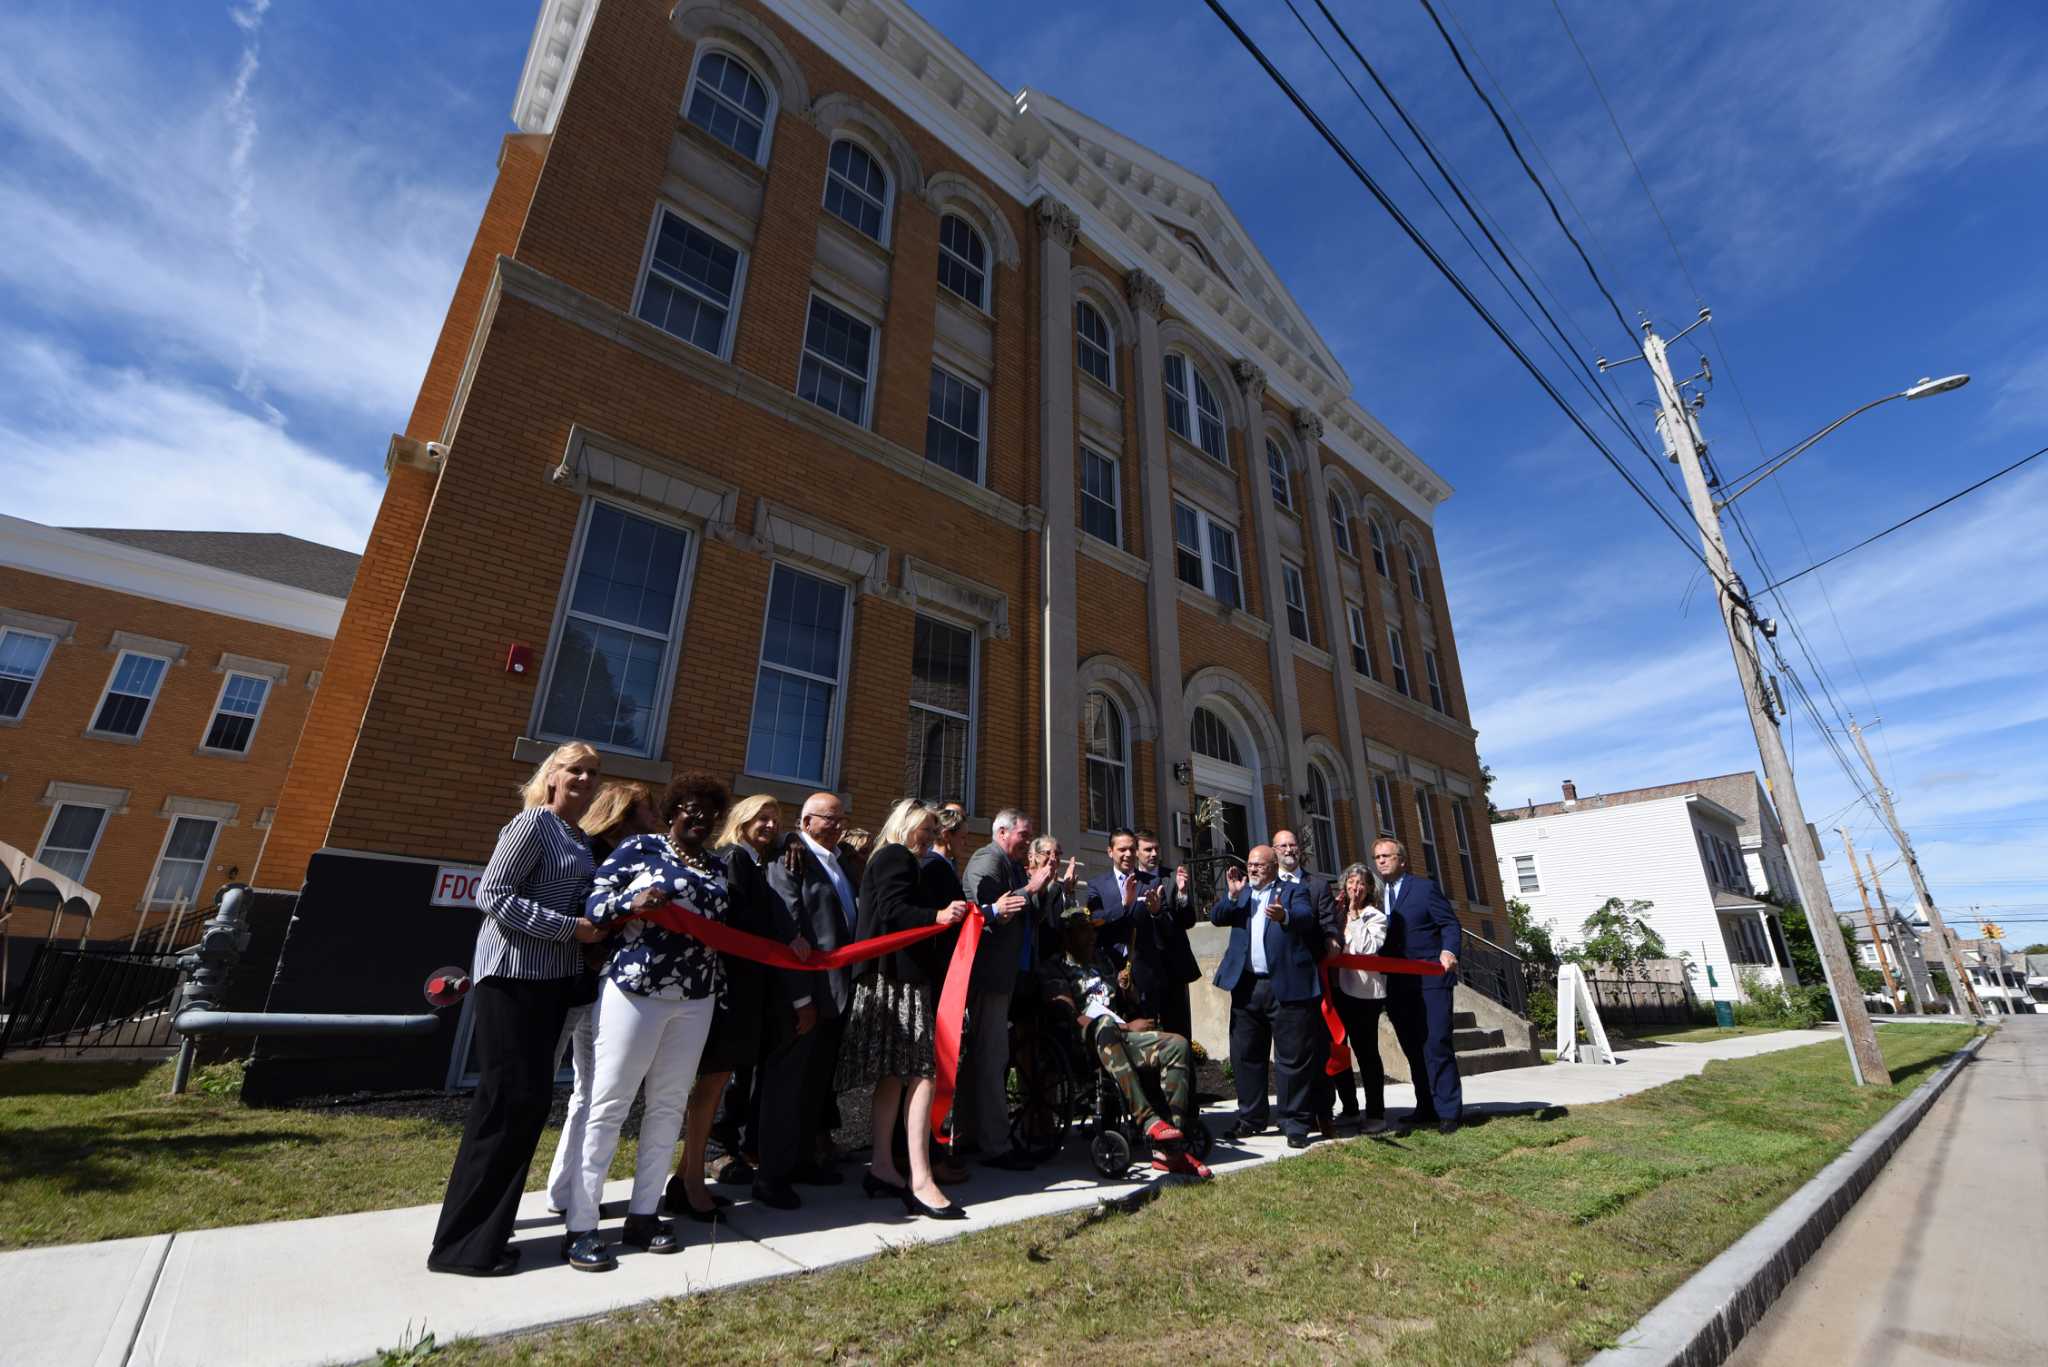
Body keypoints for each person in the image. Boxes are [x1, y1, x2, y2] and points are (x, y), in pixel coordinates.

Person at [428, 741, 607, 1277]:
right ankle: (462, 1248)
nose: (583, 778)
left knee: (527, 1107)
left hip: (552, 982)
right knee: (506, 1103)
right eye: (573, 769)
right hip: (510, 976)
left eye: (592, 773)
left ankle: (490, 1235)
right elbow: (494, 894)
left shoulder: (579, 838)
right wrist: (568, 929)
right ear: (551, 774)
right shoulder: (532, 823)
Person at [566, 773, 732, 1272]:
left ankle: (644, 1214)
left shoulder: (718, 867)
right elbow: (593, 905)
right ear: (674, 807)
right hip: (636, 990)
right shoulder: (640, 848)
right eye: (692, 808)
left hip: (695, 998)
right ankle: (581, 1225)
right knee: (609, 1105)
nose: (701, 818)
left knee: (667, 1108)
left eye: (711, 812)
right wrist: (630, 904)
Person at [838, 799, 970, 1220]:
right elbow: (894, 913)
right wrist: (939, 914)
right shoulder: (896, 856)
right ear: (906, 824)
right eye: (926, 829)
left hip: (891, 979)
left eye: (935, 832)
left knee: (896, 1076)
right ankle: (920, 1178)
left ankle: (881, 1167)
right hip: (896, 981)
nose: (931, 838)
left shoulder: (891, 859)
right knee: (922, 1073)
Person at [542, 781, 658, 1216]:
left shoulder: (632, 858)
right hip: (565, 984)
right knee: (549, 1090)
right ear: (625, 813)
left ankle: (565, 1191)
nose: (656, 818)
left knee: (589, 1093)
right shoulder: (588, 854)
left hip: (600, 989)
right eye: (649, 810)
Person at [666, 793, 780, 1221]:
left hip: (745, 989)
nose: (769, 825)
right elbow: (737, 922)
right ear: (743, 819)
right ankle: (690, 1179)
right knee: (710, 1085)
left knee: (717, 1084)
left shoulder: (756, 862)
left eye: (775, 819)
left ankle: (686, 1176)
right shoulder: (733, 858)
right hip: (727, 988)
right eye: (762, 818)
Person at [1040, 905, 1211, 1179]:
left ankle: (1171, 1145)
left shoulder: (1104, 961)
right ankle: (1148, 1120)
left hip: (1121, 1037)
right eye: (1085, 931)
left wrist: (1127, 988)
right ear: (1068, 937)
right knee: (1105, 1026)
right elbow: (1071, 1015)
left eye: (1093, 931)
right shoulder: (1054, 967)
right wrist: (1122, 1026)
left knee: (1177, 1043)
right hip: (1087, 1044)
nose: (1092, 937)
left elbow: (1127, 1003)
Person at [757, 792, 861, 1209]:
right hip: (803, 997)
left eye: (841, 819)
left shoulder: (837, 862)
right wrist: (801, 999)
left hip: (835, 993)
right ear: (805, 821)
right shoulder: (791, 856)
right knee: (785, 1087)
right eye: (828, 819)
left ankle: (801, 1160)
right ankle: (771, 1175)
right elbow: (789, 926)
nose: (837, 825)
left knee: (813, 1086)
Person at [1210, 844, 1324, 1148]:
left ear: (1274, 866)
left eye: (1259, 864)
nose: (1253, 869)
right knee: (1246, 1056)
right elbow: (1217, 917)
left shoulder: (1292, 890)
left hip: (1285, 985)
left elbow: (1305, 917)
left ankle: (1294, 1122)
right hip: (1247, 987)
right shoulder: (1243, 893)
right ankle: (1251, 1118)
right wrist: (1232, 895)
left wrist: (1284, 915)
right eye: (1250, 864)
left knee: (1292, 1058)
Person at [957, 809, 1045, 1172]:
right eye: (1023, 834)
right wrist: (1031, 888)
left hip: (1002, 978)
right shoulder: (986, 859)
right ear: (1002, 831)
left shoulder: (1009, 863)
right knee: (992, 1058)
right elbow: (988, 909)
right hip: (986, 978)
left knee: (983, 1059)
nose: (1028, 841)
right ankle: (996, 1146)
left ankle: (966, 1136)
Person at [1375, 837, 1464, 1133]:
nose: (1381, 861)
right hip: (1398, 985)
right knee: (1412, 1047)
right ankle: (1425, 1105)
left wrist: (1449, 951)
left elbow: (1449, 924)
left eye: (1387, 856)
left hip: (1430, 980)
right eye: (1377, 857)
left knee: (1436, 1043)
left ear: (1402, 860)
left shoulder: (1424, 889)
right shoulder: (1378, 896)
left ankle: (1448, 1111)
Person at [1273, 828, 1349, 1133]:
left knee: (1318, 1048)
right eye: (1283, 846)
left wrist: (1333, 941)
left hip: (1311, 977)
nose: (1289, 850)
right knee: (1290, 1053)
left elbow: (1330, 923)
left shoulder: (1316, 885)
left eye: (1293, 845)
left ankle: (1323, 1112)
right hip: (1279, 978)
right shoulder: (1270, 885)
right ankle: (1293, 1114)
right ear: (1274, 851)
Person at [1330, 862, 1391, 1134]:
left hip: (1365, 994)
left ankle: (1376, 1113)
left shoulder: (1375, 917)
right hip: (1338, 990)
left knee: (1366, 1052)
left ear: (1368, 890)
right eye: (1351, 883)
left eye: (1361, 884)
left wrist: (1353, 916)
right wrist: (1338, 913)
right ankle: (1350, 1108)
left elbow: (1366, 948)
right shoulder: (1337, 913)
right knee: (1338, 1049)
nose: (1355, 888)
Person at [1131, 829, 1202, 1041]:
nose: (1153, 854)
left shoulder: (1172, 878)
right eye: (1147, 849)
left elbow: (1188, 921)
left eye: (1156, 849)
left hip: (1173, 968)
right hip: (1144, 969)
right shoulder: (1131, 882)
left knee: (1179, 1031)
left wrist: (1182, 894)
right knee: (1147, 1032)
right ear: (1136, 852)